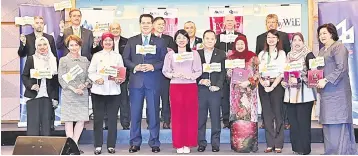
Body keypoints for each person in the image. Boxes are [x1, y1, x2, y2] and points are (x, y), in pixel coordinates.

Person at [123, 14, 167, 153]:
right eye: (143, 22)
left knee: (153, 113)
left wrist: (153, 66)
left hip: (153, 81)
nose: (146, 25)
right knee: (135, 114)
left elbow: (164, 60)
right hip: (136, 82)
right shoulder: (132, 41)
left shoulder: (160, 42)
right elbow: (125, 59)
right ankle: (135, 142)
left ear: (152, 25)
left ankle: (154, 142)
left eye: (148, 22)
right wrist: (135, 67)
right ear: (140, 24)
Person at [316, 23, 357, 155]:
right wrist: (313, 77)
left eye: (324, 33)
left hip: (338, 92)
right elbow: (319, 70)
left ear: (332, 33)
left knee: (338, 124)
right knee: (328, 124)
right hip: (326, 93)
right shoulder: (322, 51)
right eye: (320, 33)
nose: (322, 36)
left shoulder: (338, 47)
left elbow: (342, 68)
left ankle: (341, 152)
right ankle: (330, 152)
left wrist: (326, 80)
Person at [162, 29, 202, 154]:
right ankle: (179, 143)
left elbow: (198, 70)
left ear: (188, 40)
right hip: (176, 86)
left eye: (184, 38)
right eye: (179, 38)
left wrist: (191, 76)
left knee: (190, 115)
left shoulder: (194, 54)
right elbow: (165, 71)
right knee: (177, 115)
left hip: (190, 86)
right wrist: (173, 74)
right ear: (175, 40)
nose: (181, 40)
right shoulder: (170, 54)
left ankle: (189, 143)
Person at [88, 32, 125, 155]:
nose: (108, 43)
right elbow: (91, 72)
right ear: (102, 42)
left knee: (112, 120)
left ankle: (111, 145)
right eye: (105, 41)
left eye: (110, 40)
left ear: (113, 42)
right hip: (98, 91)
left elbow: (121, 73)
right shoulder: (97, 56)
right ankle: (98, 145)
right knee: (98, 119)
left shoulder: (117, 56)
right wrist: (96, 79)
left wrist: (120, 79)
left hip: (114, 92)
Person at [281, 32, 316, 155]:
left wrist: (301, 78)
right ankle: (296, 148)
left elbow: (314, 75)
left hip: (304, 95)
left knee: (303, 122)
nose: (296, 43)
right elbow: (285, 73)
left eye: (299, 40)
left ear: (303, 42)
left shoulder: (309, 55)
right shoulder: (289, 55)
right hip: (290, 95)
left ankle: (305, 149)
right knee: (294, 123)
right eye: (294, 40)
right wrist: (284, 82)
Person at [93, 22, 130, 130]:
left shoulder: (126, 42)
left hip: (121, 76)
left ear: (120, 29)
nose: (115, 30)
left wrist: (123, 75)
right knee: (106, 101)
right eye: (113, 28)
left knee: (124, 101)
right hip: (105, 77)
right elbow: (94, 54)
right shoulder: (104, 41)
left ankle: (125, 123)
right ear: (109, 30)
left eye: (117, 28)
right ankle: (107, 124)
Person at [255, 14, 291, 129]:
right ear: (266, 24)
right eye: (269, 22)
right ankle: (266, 121)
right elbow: (257, 57)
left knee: (280, 102)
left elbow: (288, 54)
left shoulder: (284, 36)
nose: (271, 24)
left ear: (277, 23)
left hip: (279, 75)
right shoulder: (260, 37)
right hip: (265, 76)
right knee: (266, 102)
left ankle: (284, 121)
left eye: (273, 22)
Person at [58, 35, 90, 153]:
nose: (74, 47)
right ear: (67, 46)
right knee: (69, 120)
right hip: (69, 94)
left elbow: (89, 77)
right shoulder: (63, 60)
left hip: (82, 93)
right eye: (71, 45)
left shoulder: (85, 60)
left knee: (81, 120)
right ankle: (70, 146)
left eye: (76, 45)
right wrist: (73, 89)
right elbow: (61, 79)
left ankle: (74, 145)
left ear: (79, 46)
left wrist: (84, 85)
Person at [227, 36, 259, 153]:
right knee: (237, 117)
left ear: (246, 44)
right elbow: (228, 75)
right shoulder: (231, 58)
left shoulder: (253, 57)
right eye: (238, 44)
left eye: (242, 44)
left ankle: (250, 145)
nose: (240, 46)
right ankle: (238, 145)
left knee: (249, 117)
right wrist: (229, 72)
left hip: (249, 93)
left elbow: (258, 73)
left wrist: (248, 82)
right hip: (236, 93)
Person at [21, 37, 59, 136]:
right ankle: (32, 149)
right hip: (33, 96)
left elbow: (55, 82)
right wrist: (31, 85)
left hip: (48, 96)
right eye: (39, 45)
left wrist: (55, 98)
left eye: (44, 44)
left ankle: (46, 149)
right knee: (33, 126)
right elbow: (24, 75)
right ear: (36, 47)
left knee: (47, 125)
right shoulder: (31, 59)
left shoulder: (53, 60)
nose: (42, 47)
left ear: (48, 46)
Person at [196, 30, 226, 153]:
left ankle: (215, 143)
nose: (209, 41)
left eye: (212, 39)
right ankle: (201, 143)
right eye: (207, 38)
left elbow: (223, 72)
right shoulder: (196, 54)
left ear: (215, 40)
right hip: (201, 90)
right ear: (203, 40)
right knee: (200, 118)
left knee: (215, 118)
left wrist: (218, 86)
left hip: (215, 91)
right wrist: (200, 80)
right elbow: (192, 70)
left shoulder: (221, 54)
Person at [215, 14, 246, 129]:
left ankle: (237, 119)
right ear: (223, 23)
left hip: (238, 70)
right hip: (223, 70)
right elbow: (216, 53)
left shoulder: (241, 36)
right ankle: (227, 120)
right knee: (225, 96)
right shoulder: (218, 37)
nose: (229, 22)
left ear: (235, 23)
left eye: (231, 21)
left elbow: (244, 51)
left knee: (238, 95)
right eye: (227, 20)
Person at [258, 29, 286, 153]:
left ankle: (278, 143)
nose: (271, 39)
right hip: (263, 85)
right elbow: (257, 71)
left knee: (278, 114)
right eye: (269, 37)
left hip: (277, 85)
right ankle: (270, 143)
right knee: (267, 115)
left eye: (274, 37)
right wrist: (262, 81)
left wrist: (273, 86)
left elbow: (282, 72)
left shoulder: (282, 53)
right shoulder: (261, 54)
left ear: (278, 39)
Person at [150, 17, 176, 129]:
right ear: (153, 25)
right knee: (152, 99)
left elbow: (175, 54)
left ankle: (166, 121)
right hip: (152, 73)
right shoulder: (148, 39)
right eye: (158, 24)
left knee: (166, 99)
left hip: (166, 74)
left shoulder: (169, 39)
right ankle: (152, 122)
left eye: (163, 24)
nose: (161, 26)